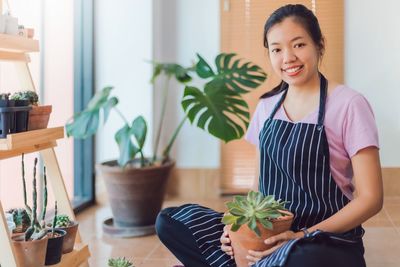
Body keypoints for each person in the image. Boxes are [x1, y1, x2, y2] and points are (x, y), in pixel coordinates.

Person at [156, 4, 382, 267]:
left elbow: (371, 198)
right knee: (169, 221)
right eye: (276, 49)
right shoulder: (267, 106)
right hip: (265, 233)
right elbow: (258, 186)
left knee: (300, 258)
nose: (288, 58)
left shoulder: (349, 104)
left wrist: (300, 235)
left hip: (322, 240)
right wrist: (236, 227)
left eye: (298, 45)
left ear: (319, 44)